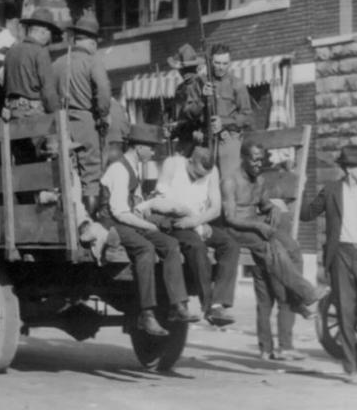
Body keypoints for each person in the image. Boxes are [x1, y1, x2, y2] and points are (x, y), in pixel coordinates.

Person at [223, 141, 330, 356]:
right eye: (254, 158)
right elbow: (230, 217)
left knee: (292, 247)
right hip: (236, 230)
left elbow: (263, 205)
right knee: (273, 247)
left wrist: (271, 207)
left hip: (255, 227)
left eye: (261, 159)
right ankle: (305, 293)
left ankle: (296, 302)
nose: (258, 163)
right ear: (243, 157)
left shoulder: (260, 181)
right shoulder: (229, 181)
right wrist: (257, 224)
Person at [98, 123, 199, 336]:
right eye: (150, 147)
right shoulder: (118, 169)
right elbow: (119, 212)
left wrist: (150, 212)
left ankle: (177, 305)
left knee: (171, 244)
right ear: (138, 147)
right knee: (145, 249)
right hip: (113, 222)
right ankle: (146, 314)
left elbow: (134, 207)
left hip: (130, 219)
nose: (153, 152)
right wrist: (148, 225)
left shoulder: (134, 167)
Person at [299, 144, 357, 385]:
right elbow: (307, 213)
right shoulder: (330, 191)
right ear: (349, 169)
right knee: (346, 313)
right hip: (340, 256)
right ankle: (351, 368)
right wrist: (299, 186)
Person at [146, 146, 241, 326]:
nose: (199, 178)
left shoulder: (211, 172)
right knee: (197, 246)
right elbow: (162, 200)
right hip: (175, 221)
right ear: (190, 161)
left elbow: (215, 208)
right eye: (196, 174)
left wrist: (197, 221)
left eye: (202, 176)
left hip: (198, 222)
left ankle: (219, 303)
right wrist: (191, 221)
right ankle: (207, 307)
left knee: (231, 245)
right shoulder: (173, 164)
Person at [53, 15, 111, 215]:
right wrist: (103, 116)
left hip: (61, 123)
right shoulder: (92, 61)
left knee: (68, 175)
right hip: (86, 122)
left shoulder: (57, 63)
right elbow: (103, 91)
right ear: (92, 42)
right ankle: (90, 226)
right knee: (90, 177)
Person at [174, 43, 253, 178]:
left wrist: (224, 122)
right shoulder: (199, 82)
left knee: (228, 181)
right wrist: (202, 100)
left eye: (224, 63)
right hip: (204, 142)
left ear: (230, 63)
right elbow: (187, 113)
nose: (221, 67)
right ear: (210, 62)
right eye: (217, 63)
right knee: (203, 182)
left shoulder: (237, 84)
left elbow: (247, 117)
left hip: (228, 140)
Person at [3, 7, 62, 119]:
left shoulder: (11, 51)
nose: (50, 38)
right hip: (33, 112)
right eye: (50, 33)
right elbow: (48, 90)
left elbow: (5, 85)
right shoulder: (40, 52)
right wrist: (57, 113)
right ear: (44, 31)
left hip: (12, 112)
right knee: (54, 135)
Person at [105, 99, 130, 166]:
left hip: (108, 143)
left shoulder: (101, 104)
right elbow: (126, 129)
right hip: (119, 143)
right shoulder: (120, 107)